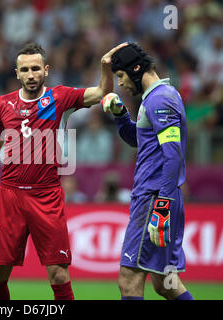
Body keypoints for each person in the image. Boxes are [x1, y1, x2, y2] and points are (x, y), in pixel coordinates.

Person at [0, 42, 128, 300]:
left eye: (36, 68)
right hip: (10, 196)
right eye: (25, 69)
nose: (31, 74)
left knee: (59, 275)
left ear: (46, 70)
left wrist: (105, 68)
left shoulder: (60, 97)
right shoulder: (3, 103)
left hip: (47, 196)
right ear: (17, 73)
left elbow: (101, 93)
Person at [100, 43, 193, 300]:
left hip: (154, 199)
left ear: (136, 69)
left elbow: (172, 155)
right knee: (166, 283)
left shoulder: (160, 99)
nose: (120, 83)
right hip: (159, 197)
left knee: (128, 281)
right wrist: (120, 115)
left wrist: (161, 205)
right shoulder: (154, 98)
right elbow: (140, 140)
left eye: (120, 76)